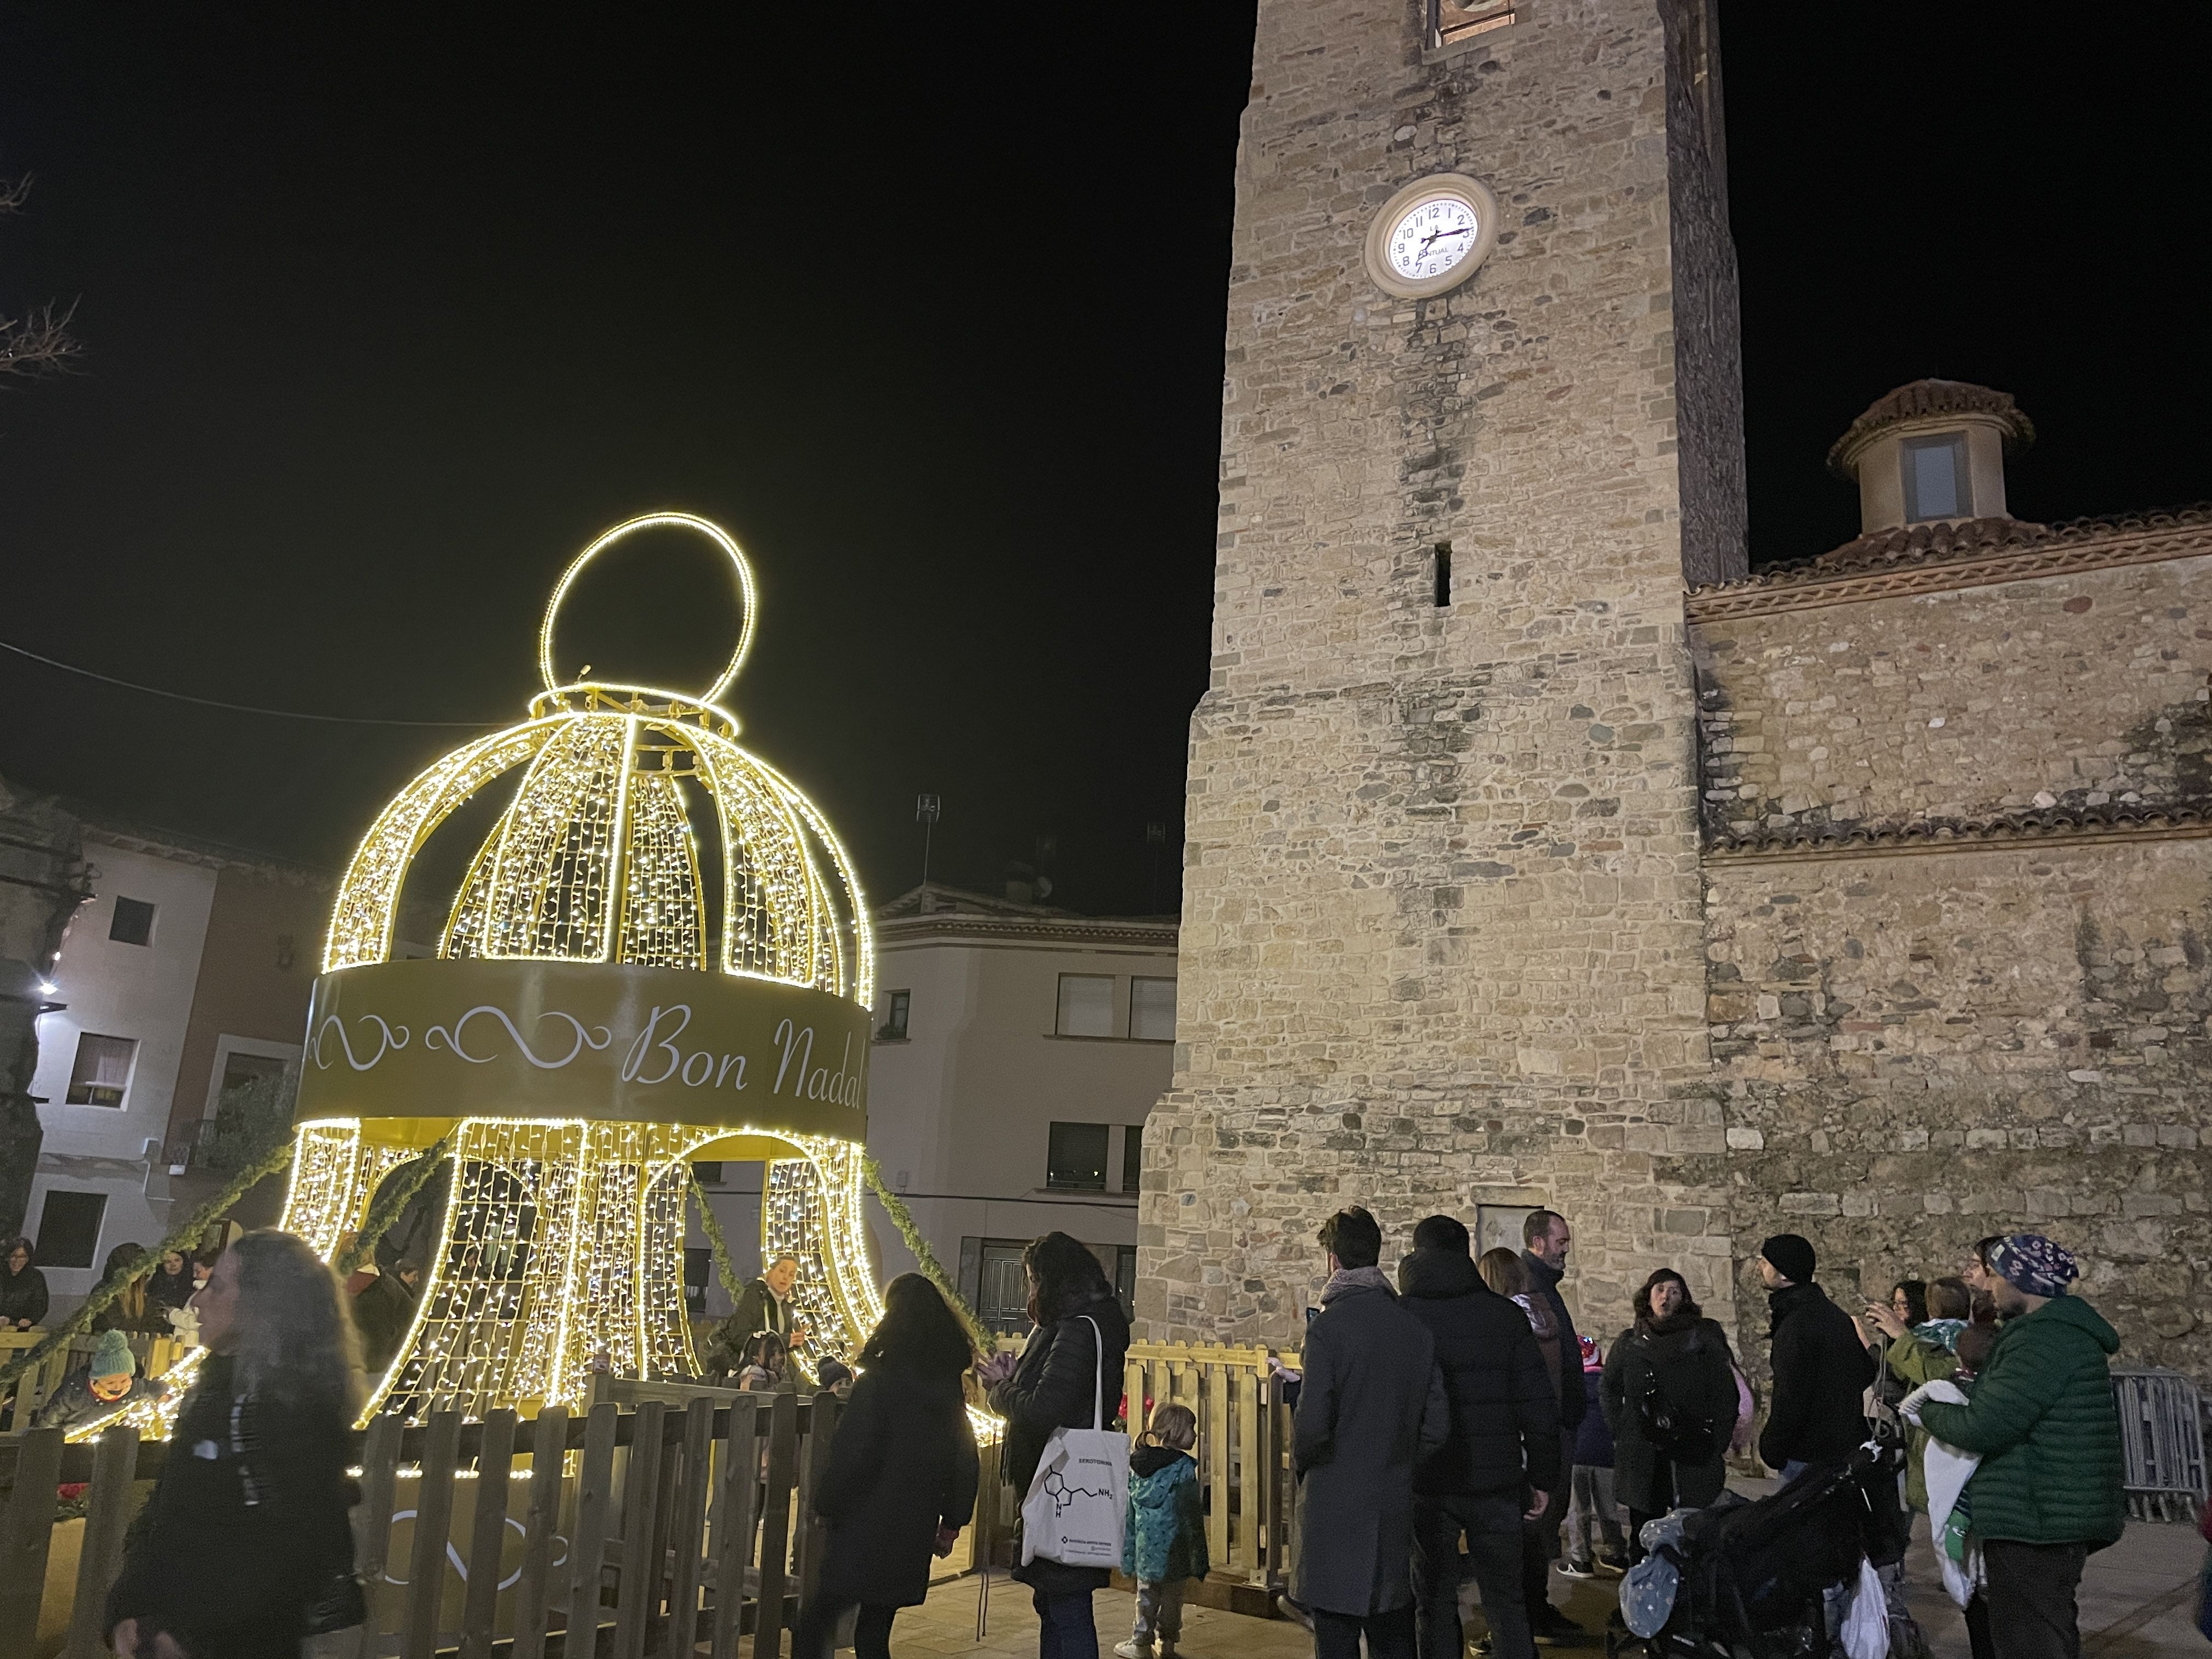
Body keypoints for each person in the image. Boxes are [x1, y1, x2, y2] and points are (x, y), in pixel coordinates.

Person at [105, 1229, 363, 1659]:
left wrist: (190, 1634)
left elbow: (294, 1546)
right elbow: (171, 1513)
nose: (197, 1302)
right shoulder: (216, 1390)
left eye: (217, 1287)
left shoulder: (285, 1410)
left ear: (262, 1304)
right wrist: (130, 1610)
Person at [1908, 1234, 2125, 1659]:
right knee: (2042, 1631)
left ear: (2023, 1280)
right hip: (2044, 1514)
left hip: (2037, 1519)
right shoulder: (2053, 1334)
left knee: (2031, 1640)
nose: (1987, 1287)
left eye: (1995, 1275)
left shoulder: (2042, 1340)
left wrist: (1926, 1408)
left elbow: (1984, 1425)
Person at [1284, 1206, 1447, 1659]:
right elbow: (1437, 1425)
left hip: (1335, 1502)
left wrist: (1307, 1465)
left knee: (1336, 1635)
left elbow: (1312, 1425)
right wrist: (1400, 1462)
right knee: (1394, 1632)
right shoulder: (1413, 1329)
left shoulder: (1328, 1330)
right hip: (1393, 1498)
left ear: (1333, 1260)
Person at [793, 1273, 980, 1659]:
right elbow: (964, 1457)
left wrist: (827, 1503)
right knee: (875, 1631)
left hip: (866, 1522)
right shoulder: (946, 1389)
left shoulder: (878, 1382)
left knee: (815, 1624)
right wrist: (953, 1521)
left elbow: (853, 1452)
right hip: (914, 1523)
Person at [1398, 1214, 1558, 1659]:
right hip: (1497, 1479)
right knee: (1507, 1603)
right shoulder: (1503, 1316)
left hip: (1428, 1480)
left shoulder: (1405, 1317)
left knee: (1433, 1600)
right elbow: (1537, 1403)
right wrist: (1542, 1476)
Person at [977, 1231, 1132, 1659]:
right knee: (1055, 1602)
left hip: (1063, 1483)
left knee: (1066, 1605)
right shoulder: (1085, 1321)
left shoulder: (1080, 1329)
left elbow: (1048, 1408)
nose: (1031, 1290)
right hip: (1054, 1479)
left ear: (1052, 1279)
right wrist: (1015, 1377)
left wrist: (999, 1390)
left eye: (1032, 1280)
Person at [1600, 1269, 1739, 1562]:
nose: (1666, 1296)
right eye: (1660, 1289)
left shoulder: (1701, 1342)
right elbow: (1609, 1388)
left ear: (1684, 1299)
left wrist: (1718, 1441)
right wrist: (1621, 1429)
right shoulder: (1630, 1344)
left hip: (1691, 1454)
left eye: (1674, 1291)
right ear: (1648, 1297)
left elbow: (1725, 1395)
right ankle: (1643, 1596)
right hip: (1643, 1454)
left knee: (1691, 1534)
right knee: (1642, 1533)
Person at [1516, 1211, 1585, 1646]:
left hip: (1555, 1426)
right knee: (1536, 1526)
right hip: (1545, 1429)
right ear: (1538, 1243)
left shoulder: (1544, 1288)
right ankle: (1530, 1612)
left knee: (1544, 1525)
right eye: (1561, 1241)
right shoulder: (1531, 1290)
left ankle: (1535, 1608)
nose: (1566, 1248)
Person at [1756, 1233, 1875, 1480]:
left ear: (1784, 1274)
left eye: (1766, 1262)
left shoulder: (1796, 1325)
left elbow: (1790, 1396)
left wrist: (1773, 1448)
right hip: (1840, 1451)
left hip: (1806, 1457)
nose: (1760, 1267)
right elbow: (1862, 1372)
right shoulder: (1832, 1314)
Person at [1865, 1277, 1973, 1514]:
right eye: (1895, 1304)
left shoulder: (1937, 1337)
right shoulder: (1964, 1334)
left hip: (1942, 1437)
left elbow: (1934, 1375)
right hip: (1926, 1440)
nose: (1898, 1311)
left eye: (1904, 1305)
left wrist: (1900, 1337)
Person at [1115, 1402, 1209, 1659]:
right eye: (1192, 1428)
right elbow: (1190, 1511)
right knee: (1172, 1600)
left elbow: (1130, 1513)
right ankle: (1167, 1644)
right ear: (1176, 1431)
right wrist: (1197, 1551)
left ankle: (1140, 1644)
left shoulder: (1136, 1466)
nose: (1195, 1434)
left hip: (1147, 1548)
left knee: (1145, 1596)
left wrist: (1129, 1549)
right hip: (1176, 1547)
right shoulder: (1183, 1468)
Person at [1560, 1337, 1625, 1580]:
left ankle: (1581, 1560)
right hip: (1607, 1455)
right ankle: (1616, 1554)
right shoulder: (1610, 1384)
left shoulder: (1571, 1385)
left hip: (1577, 1455)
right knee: (1609, 1508)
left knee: (1579, 1509)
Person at [36, 1328, 166, 1431]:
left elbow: (152, 1388)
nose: (118, 1387)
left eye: (124, 1380)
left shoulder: (134, 1388)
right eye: (110, 1382)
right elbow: (51, 1418)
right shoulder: (76, 1391)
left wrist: (161, 1394)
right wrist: (46, 1438)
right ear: (97, 1379)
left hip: (109, 1442)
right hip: (74, 1440)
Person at [708, 1254, 808, 1373]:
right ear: (770, 1272)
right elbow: (741, 1337)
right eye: (782, 1271)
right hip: (747, 1373)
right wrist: (784, 1341)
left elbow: (778, 1345)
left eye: (791, 1275)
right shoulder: (755, 1297)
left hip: (772, 1374)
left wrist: (794, 1341)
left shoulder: (786, 1306)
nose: (786, 1277)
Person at [351, 1256, 422, 1374]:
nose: (417, 1280)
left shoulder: (387, 1287)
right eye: (414, 1276)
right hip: (373, 1363)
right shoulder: (389, 1286)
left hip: (370, 1363)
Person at [91, 1244, 161, 1335]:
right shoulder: (106, 1291)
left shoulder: (139, 1290)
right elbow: (106, 1324)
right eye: (137, 1268)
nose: (140, 1272)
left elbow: (148, 1322)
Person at [1, 1237, 48, 1330]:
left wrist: (30, 1320)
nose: (17, 1261)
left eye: (22, 1257)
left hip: (22, 1329)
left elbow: (40, 1304)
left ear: (28, 1259)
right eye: (13, 1256)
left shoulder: (35, 1277)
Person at [148, 1249, 197, 1318]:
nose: (173, 1265)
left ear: (184, 1262)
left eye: (177, 1260)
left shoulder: (195, 1285)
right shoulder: (153, 1286)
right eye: (168, 1262)